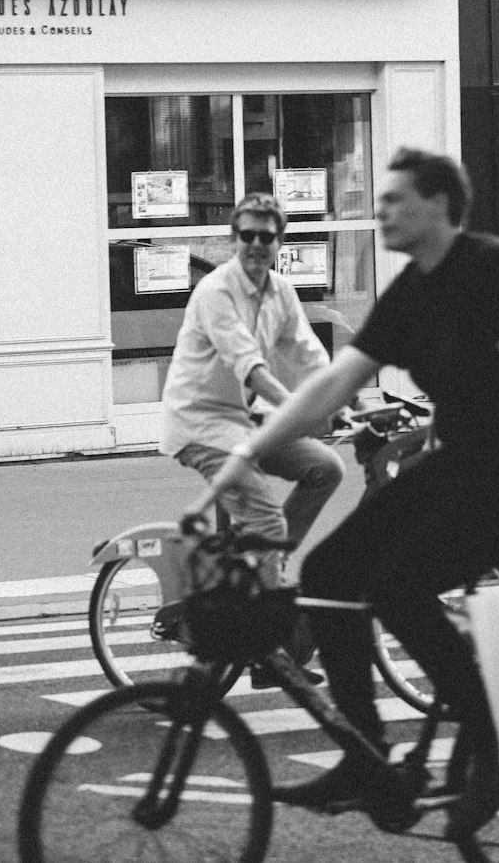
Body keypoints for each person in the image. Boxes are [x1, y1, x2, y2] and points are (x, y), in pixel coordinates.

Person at [186, 148, 499, 839]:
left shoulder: (497, 271)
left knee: (400, 587)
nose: (381, 211)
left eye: (397, 200)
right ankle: (366, 756)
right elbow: (331, 384)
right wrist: (249, 451)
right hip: (462, 462)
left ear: (439, 205)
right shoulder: (413, 290)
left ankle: (495, 744)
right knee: (327, 572)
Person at [159, 191, 344, 682]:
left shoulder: (280, 290)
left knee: (325, 468)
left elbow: (309, 354)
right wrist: (299, 409)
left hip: (244, 422)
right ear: (233, 239)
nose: (257, 245)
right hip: (200, 422)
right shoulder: (216, 291)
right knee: (266, 517)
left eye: (267, 236)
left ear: (280, 242)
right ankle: (272, 648)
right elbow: (250, 365)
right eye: (248, 236)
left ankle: (264, 571)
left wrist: (349, 398)